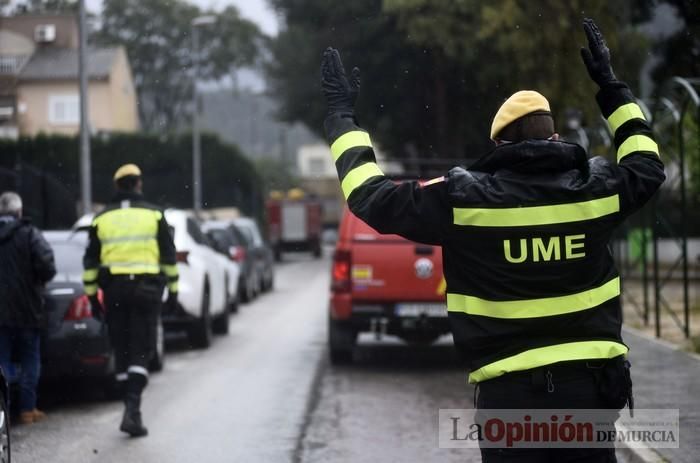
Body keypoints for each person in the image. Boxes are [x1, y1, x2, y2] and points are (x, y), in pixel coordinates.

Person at [321, 18, 664, 462]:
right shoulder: (597, 187)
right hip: (591, 391)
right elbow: (647, 163)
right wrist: (612, 87)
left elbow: (370, 195)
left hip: (510, 399)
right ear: (555, 137)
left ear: (499, 145)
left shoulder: (464, 199)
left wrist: (341, 117)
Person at [83, 164, 178, 437]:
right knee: (142, 349)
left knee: (122, 348)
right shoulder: (154, 214)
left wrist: (91, 297)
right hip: (146, 290)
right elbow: (168, 256)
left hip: (114, 291)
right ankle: (132, 410)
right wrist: (173, 290)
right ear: (138, 184)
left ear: (117, 186)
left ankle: (129, 407)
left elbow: (90, 262)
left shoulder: (101, 218)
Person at [0, 191, 56, 425]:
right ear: (19, 211)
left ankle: (3, 411)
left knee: (1, 361)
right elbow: (47, 266)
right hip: (27, 310)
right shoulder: (30, 234)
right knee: (30, 359)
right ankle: (27, 409)